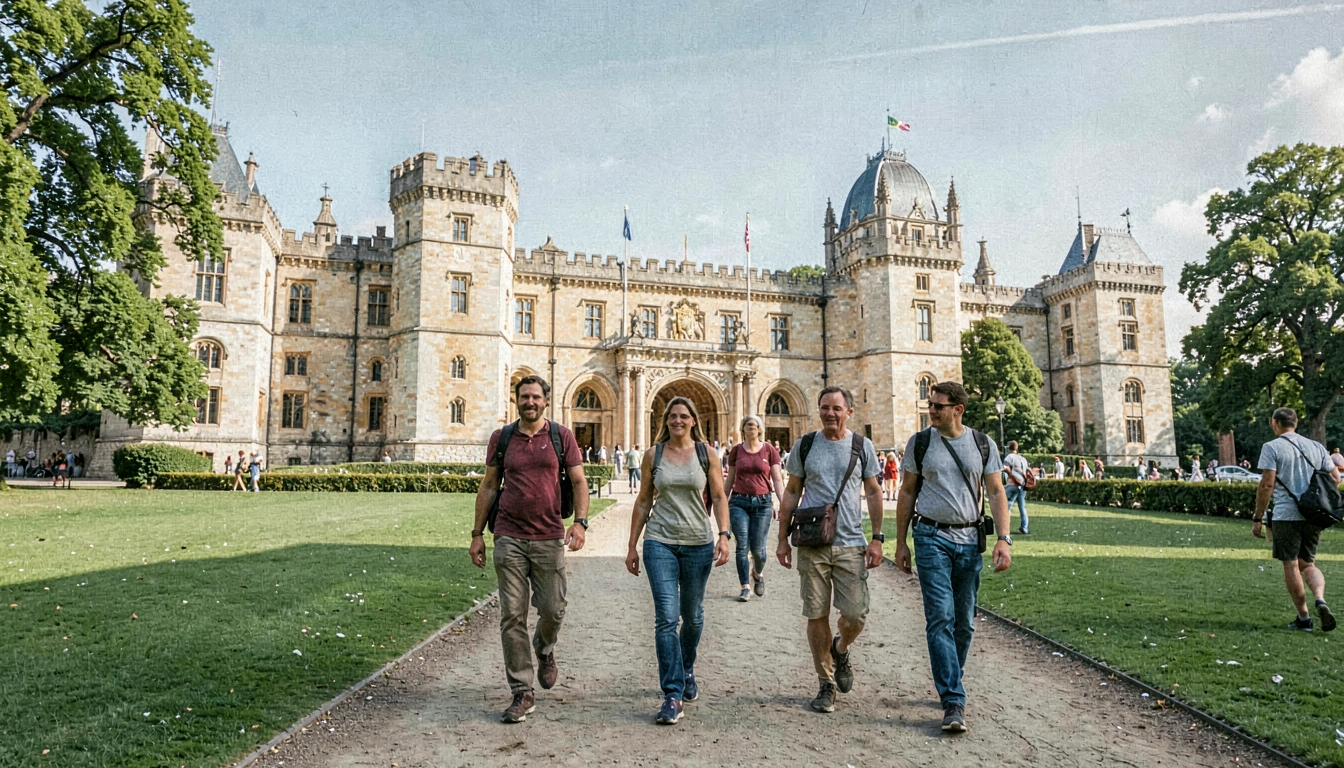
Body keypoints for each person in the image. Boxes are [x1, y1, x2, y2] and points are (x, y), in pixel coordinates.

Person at [470, 375, 589, 723]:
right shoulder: (502, 438)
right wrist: (477, 533)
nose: (530, 402)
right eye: (524, 397)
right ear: (516, 400)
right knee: (512, 615)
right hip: (508, 535)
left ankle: (545, 648)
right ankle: (522, 690)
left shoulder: (561, 436)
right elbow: (490, 485)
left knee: (553, 609)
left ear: (545, 401)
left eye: (536, 397)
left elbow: (579, 480)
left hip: (549, 536)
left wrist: (580, 522)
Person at [894, 381, 1011, 733]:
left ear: (957, 410)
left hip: (969, 539)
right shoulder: (921, 442)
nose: (931, 410)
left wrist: (1003, 539)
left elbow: (995, 490)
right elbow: (908, 491)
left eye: (938, 406)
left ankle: (950, 680)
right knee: (940, 618)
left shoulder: (981, 443)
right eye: (931, 404)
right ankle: (953, 699)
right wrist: (901, 542)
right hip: (930, 537)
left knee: (964, 622)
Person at [776, 386, 883, 714]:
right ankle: (825, 683)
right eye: (824, 407)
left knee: (854, 615)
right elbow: (792, 491)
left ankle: (841, 647)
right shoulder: (805, 445)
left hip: (851, 542)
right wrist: (782, 538)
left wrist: (877, 537)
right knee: (816, 613)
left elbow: (875, 491)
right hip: (813, 541)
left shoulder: (862, 446)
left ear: (849, 411)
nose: (830, 413)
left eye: (836, 408)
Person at [626, 397, 731, 725]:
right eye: (672, 416)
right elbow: (644, 500)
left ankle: (686, 668)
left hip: (698, 543)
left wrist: (724, 534)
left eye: (684, 415)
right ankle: (672, 693)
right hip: (660, 543)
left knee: (693, 616)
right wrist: (632, 545)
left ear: (694, 420)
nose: (678, 420)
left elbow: (718, 495)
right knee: (666, 619)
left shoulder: (707, 454)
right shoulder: (653, 455)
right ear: (665, 419)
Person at [1252, 407, 1337, 633]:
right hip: (1313, 514)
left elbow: (1267, 484)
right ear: (1296, 423)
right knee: (1307, 563)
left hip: (1286, 515)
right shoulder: (1316, 446)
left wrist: (1258, 517)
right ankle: (1320, 599)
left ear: (1274, 423)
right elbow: (1335, 477)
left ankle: (1304, 618)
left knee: (1290, 564)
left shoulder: (1272, 448)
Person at [726, 416, 784, 602]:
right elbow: (730, 479)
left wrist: (784, 503)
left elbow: (777, 479)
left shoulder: (769, 450)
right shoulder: (736, 451)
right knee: (742, 546)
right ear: (743, 429)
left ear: (760, 429)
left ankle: (757, 573)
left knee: (759, 551)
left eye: (755, 425)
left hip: (763, 504)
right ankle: (745, 586)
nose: (752, 427)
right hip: (738, 503)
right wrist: (721, 501)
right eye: (748, 424)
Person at [1002, 441, 1030, 535]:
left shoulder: (1009, 457)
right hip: (1022, 485)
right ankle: (1025, 527)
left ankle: (1004, 527)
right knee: (1022, 507)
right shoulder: (1023, 459)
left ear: (1009, 448)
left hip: (1012, 484)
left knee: (1006, 505)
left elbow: (1004, 469)